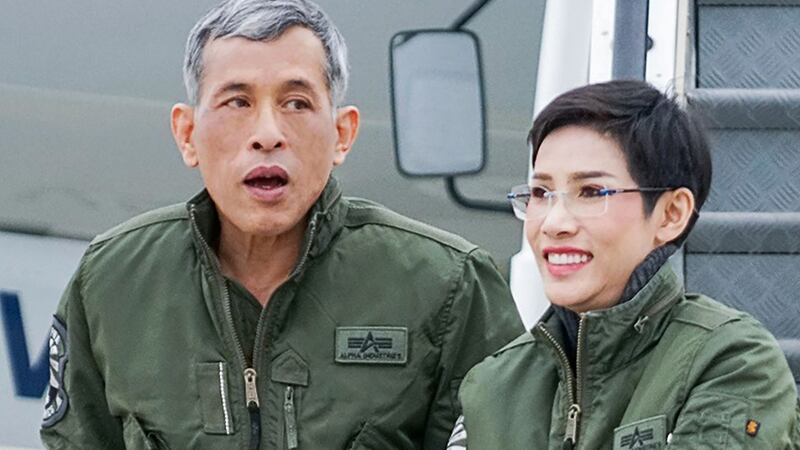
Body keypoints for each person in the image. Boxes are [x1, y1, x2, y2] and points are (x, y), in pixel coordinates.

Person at [39, 0, 523, 448]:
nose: (267, 135)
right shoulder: (111, 281)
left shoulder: (449, 286)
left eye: (296, 103)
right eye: (237, 102)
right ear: (187, 134)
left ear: (342, 133)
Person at [448, 80, 800, 449]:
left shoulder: (731, 361)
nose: (553, 223)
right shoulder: (492, 386)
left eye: (591, 192)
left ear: (671, 213)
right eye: (540, 193)